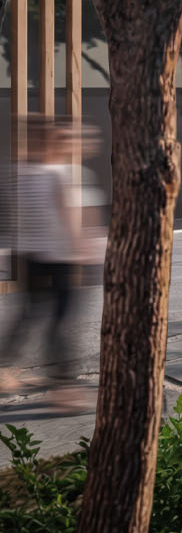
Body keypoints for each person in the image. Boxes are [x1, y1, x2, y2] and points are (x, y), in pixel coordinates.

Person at [0, 118, 88, 410]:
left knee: (27, 317)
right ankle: (63, 387)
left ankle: (4, 368)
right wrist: (81, 253)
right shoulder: (58, 173)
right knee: (60, 322)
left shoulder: (15, 172)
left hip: (27, 256)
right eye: (61, 140)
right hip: (58, 258)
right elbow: (69, 217)